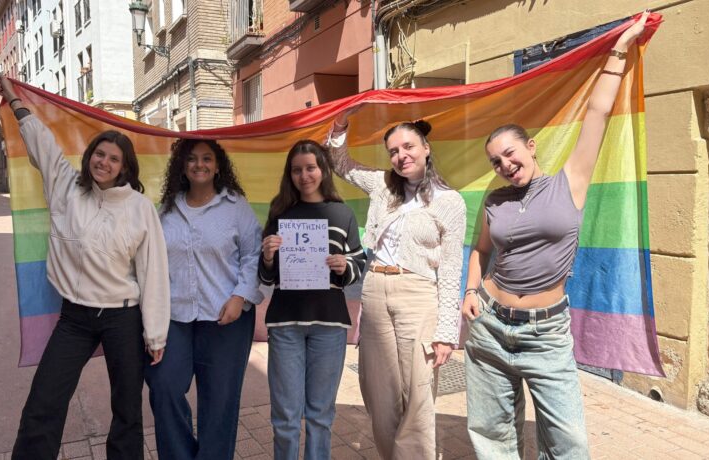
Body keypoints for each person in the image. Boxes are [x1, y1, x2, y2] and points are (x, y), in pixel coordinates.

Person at [461, 13, 650, 460]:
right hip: (489, 326)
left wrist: (619, 49)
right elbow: (481, 249)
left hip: (546, 334)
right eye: (495, 161)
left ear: (530, 147)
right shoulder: (495, 202)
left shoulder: (570, 183)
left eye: (509, 153)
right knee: (492, 435)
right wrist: (471, 289)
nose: (504, 164)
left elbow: (598, 113)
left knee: (569, 444)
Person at [0, 74, 170, 459]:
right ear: (90, 154)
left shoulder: (140, 208)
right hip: (75, 318)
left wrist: (155, 333)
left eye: (113, 158)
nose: (103, 162)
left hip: (123, 319)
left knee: (127, 410)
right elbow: (41, 143)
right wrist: (14, 99)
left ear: (125, 167)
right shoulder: (66, 189)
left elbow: (154, 273)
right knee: (44, 402)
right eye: (99, 154)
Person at [327, 116, 467, 459]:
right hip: (375, 290)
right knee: (378, 390)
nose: (401, 155)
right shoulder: (382, 186)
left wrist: (447, 332)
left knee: (417, 392)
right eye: (393, 150)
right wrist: (342, 128)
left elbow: (450, 270)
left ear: (426, 149)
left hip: (419, 295)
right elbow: (341, 164)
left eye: (408, 147)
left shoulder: (450, 202)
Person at [145, 138, 263, 460]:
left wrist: (240, 295)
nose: (200, 164)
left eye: (207, 158)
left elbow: (253, 253)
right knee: (164, 387)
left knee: (220, 400)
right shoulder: (166, 210)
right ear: (182, 166)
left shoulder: (235, 206)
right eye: (192, 159)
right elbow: (151, 261)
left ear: (217, 164)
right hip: (175, 317)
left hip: (226, 318)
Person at [259, 140, 367, 460]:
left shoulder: (342, 213)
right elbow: (265, 277)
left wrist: (345, 265)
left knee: (321, 416)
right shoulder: (280, 212)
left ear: (323, 170)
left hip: (329, 324)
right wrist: (266, 257)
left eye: (310, 168)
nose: (304, 175)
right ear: (289, 174)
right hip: (286, 323)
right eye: (296, 169)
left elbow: (359, 263)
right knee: (285, 418)